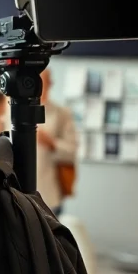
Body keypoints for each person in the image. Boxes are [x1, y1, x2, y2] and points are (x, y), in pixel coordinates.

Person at [36, 68, 78, 214]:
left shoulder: (62, 114)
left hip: (48, 196)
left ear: (50, 83)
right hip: (16, 194)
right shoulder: (10, 111)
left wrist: (51, 143)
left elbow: (72, 152)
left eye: (42, 81)